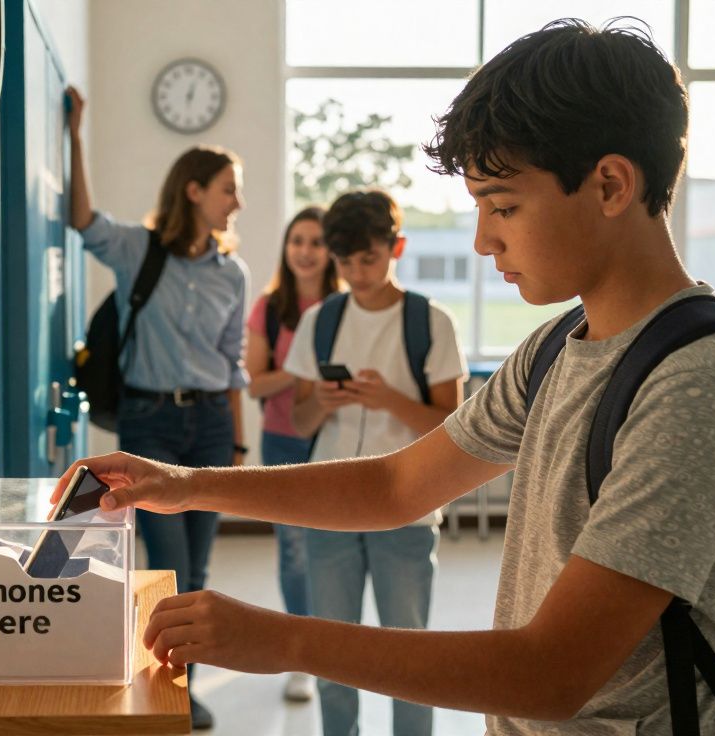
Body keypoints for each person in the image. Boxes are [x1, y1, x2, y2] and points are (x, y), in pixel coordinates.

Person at [55, 20, 715, 736]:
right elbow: (397, 486)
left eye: (502, 206)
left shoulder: (700, 385)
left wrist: (282, 640)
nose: (482, 240)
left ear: (609, 185)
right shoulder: (559, 347)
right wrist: (180, 485)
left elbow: (553, 674)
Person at [67, 86, 249, 731]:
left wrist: (238, 442)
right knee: (167, 561)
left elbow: (233, 364)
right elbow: (83, 218)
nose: (238, 202)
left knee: (197, 566)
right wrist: (75, 134)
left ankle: (181, 685)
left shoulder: (233, 274)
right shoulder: (139, 249)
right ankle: (160, 678)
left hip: (209, 425)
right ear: (195, 190)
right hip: (150, 422)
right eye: (229, 188)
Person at [284, 190, 466, 736]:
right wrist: (323, 400)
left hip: (407, 509)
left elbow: (452, 427)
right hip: (329, 508)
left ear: (396, 248)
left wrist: (389, 400)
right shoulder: (321, 319)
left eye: (368, 258)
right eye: (345, 262)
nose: (357, 273)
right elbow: (299, 422)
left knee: (409, 656)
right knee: (331, 652)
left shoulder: (430, 322)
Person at [243, 205, 339, 703]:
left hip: (338, 442)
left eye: (316, 242)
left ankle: (336, 652)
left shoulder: (346, 306)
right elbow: (255, 382)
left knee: (337, 550)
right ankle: (302, 657)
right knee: (296, 551)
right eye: (297, 240)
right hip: (283, 440)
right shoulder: (270, 306)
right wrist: (303, 372)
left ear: (331, 252)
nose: (305, 251)